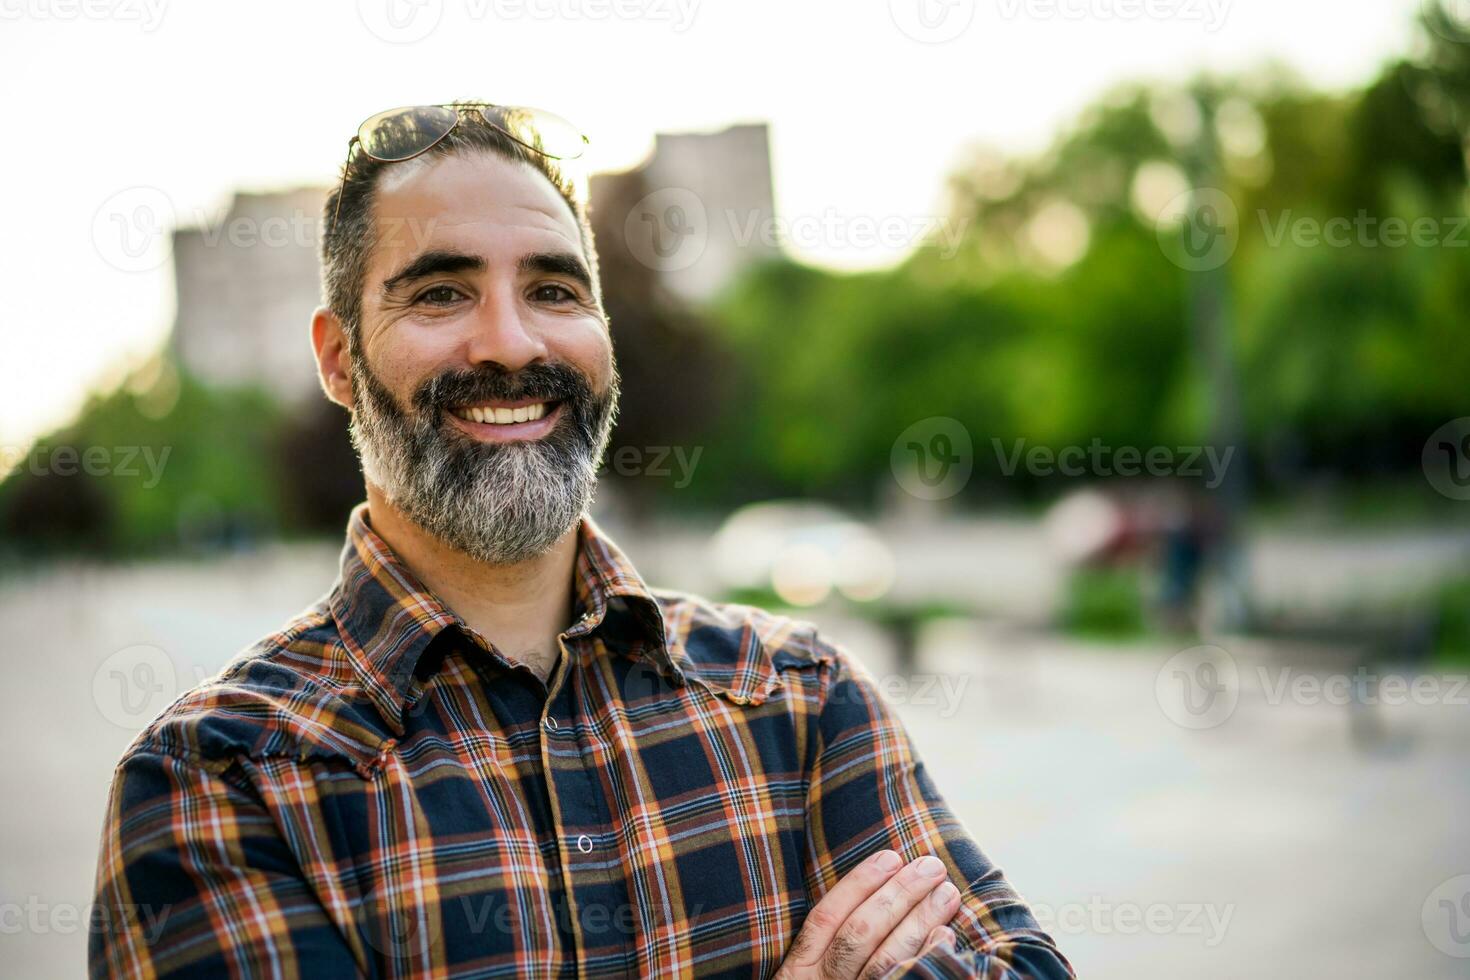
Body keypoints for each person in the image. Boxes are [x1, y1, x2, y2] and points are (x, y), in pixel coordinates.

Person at [89, 103, 1072, 979]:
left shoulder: (801, 700)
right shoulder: (220, 781)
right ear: (341, 359)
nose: (512, 343)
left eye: (555, 290)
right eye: (440, 293)